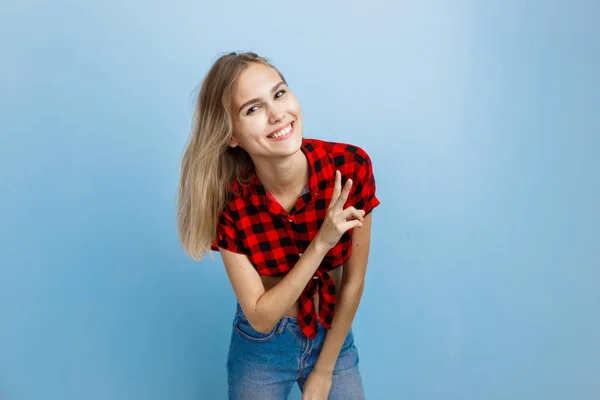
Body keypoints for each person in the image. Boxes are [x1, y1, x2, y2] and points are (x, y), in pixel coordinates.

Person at [176, 52, 380, 399]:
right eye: (252, 109)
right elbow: (260, 316)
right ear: (231, 135)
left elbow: (354, 282)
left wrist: (324, 370)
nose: (277, 114)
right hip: (262, 348)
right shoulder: (229, 204)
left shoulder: (350, 167)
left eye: (279, 93)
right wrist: (321, 243)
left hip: (333, 334)